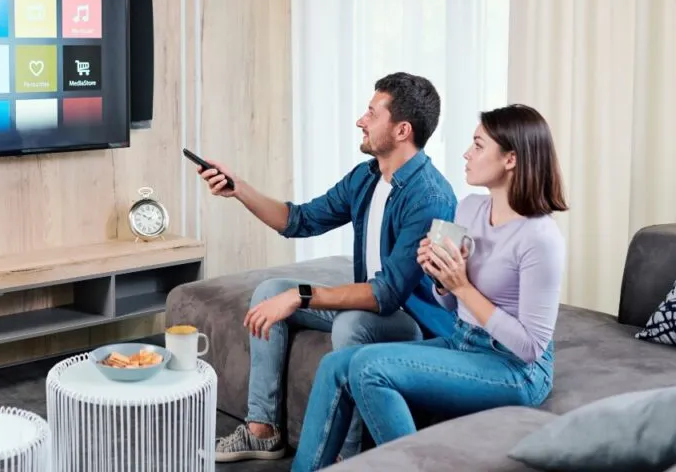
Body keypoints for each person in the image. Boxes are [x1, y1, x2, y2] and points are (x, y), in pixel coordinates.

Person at [198, 72, 459, 463]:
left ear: (402, 130)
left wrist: (300, 296)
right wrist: (240, 188)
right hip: (374, 303)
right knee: (270, 290)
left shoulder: (430, 197)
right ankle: (262, 430)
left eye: (372, 113)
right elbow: (298, 220)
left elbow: (387, 296)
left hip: (413, 321)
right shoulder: (367, 177)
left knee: (351, 324)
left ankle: (346, 457)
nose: (360, 120)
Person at [291, 104, 568, 472]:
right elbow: (453, 306)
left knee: (370, 369)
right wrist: (439, 277)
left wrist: (463, 286)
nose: (466, 154)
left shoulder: (541, 238)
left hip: (515, 368)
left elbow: (532, 347)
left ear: (511, 159)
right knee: (336, 365)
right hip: (462, 340)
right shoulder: (469, 208)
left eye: (478, 145)